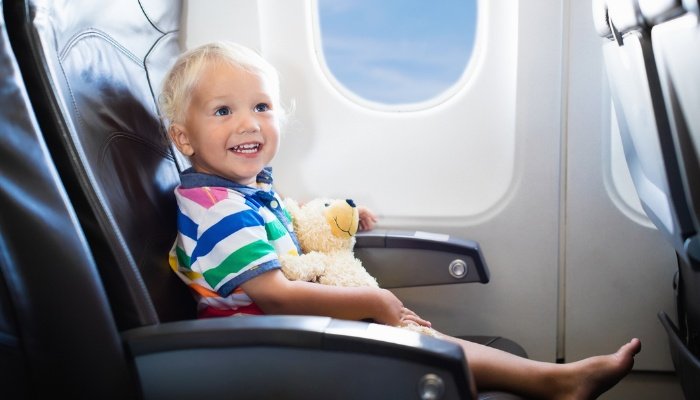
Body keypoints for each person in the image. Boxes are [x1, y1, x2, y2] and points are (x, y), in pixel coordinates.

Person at [161, 40, 641, 399]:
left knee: (420, 341)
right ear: (184, 138)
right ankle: (556, 382)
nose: (249, 123)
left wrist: (334, 219)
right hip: (263, 348)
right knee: (411, 341)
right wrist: (376, 299)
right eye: (223, 111)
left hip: (281, 335)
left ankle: (555, 380)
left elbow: (285, 221)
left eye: (262, 107)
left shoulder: (242, 190)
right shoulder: (218, 209)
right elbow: (276, 296)